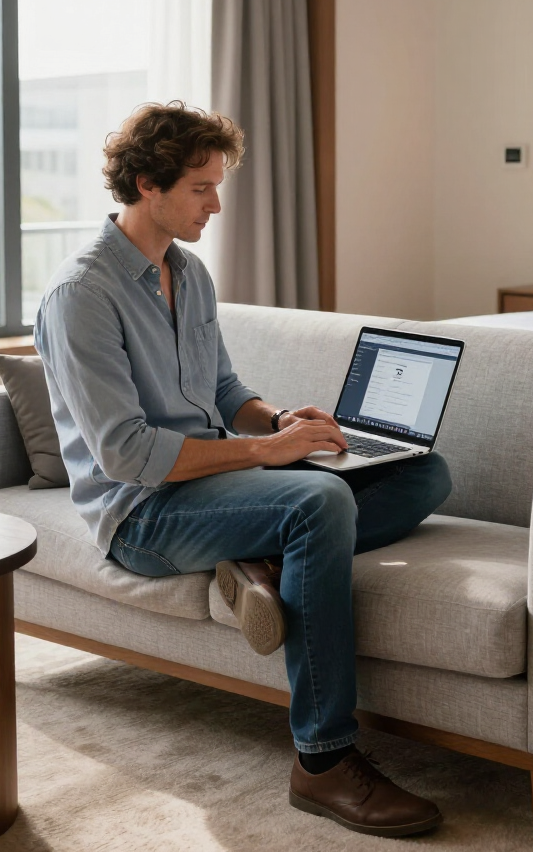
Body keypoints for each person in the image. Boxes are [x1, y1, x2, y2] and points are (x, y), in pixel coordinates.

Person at [34, 102, 453, 838]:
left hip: (219, 487)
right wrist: (267, 455)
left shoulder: (188, 272)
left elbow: (224, 391)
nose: (216, 204)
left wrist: (281, 422)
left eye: (217, 185)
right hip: (145, 511)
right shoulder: (82, 297)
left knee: (426, 474)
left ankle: (261, 560)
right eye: (201, 187)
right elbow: (127, 453)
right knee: (318, 507)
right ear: (146, 184)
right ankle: (322, 762)